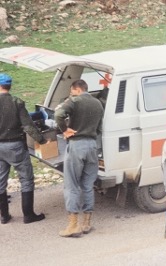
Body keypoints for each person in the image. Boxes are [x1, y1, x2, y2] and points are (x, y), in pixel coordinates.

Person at [54, 79, 104, 237]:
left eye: (71, 91)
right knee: (88, 186)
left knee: (72, 185)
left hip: (77, 146)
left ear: (76, 89)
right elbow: (99, 128)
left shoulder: (74, 101)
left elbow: (58, 114)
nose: (71, 94)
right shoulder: (98, 103)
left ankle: (73, 225)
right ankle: (86, 223)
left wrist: (65, 130)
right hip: (92, 146)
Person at [0, 73, 48, 225]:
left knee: (0, 181)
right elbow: (28, 125)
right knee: (26, 179)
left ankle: (4, 216)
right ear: (9, 86)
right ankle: (28, 215)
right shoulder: (17, 102)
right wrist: (41, 139)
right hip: (16, 146)